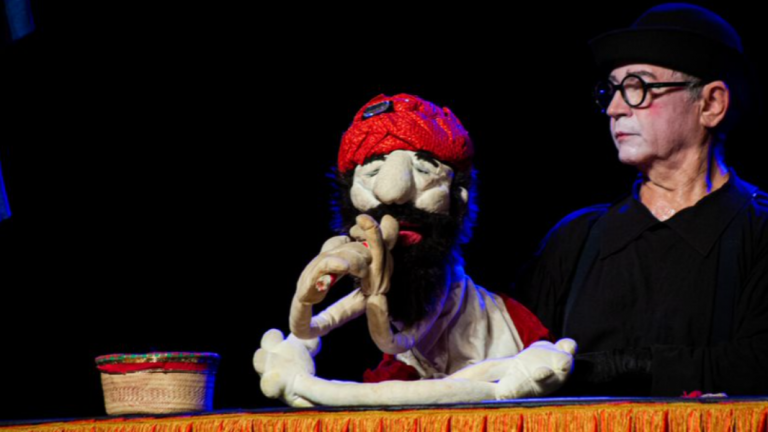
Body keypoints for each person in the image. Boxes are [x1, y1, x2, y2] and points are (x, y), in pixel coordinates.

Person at [254, 93, 576, 407]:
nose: (392, 193)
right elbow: (320, 324)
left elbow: (540, 359)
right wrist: (295, 347)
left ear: (459, 198)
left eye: (424, 170)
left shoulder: (502, 318)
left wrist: (533, 362)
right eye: (372, 173)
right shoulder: (388, 322)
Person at [514, 3, 768, 396]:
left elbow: (754, 363)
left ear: (711, 104)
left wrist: (622, 368)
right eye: (613, 90)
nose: (614, 109)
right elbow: (510, 354)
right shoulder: (576, 239)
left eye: (639, 88)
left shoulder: (759, 231)